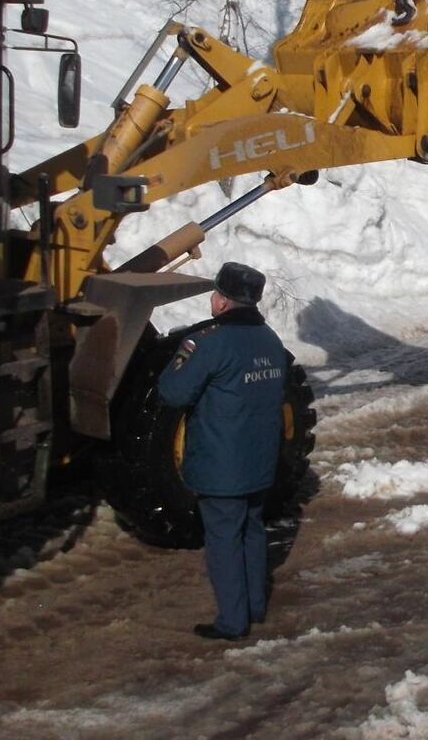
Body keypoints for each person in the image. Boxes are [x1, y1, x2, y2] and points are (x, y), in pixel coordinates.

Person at [157, 261, 292, 641]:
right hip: (260, 462)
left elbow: (173, 392)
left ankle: (232, 622)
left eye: (216, 293)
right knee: (251, 529)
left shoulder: (209, 343)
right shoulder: (270, 341)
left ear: (222, 301)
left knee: (223, 540)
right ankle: (254, 606)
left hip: (221, 466)